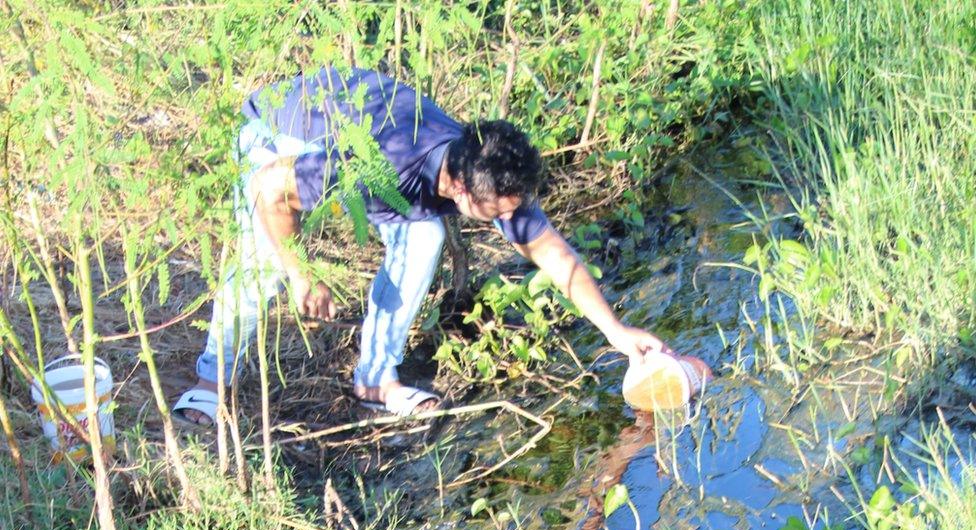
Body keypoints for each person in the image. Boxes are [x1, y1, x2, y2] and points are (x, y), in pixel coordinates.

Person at [173, 66, 675, 425]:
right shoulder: (384, 164)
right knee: (264, 260)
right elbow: (270, 190)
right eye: (499, 213)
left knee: (427, 232)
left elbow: (553, 252)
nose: (509, 221)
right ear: (460, 189)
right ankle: (211, 380)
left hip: (361, 121)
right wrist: (302, 270)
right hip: (284, 130)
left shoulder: (485, 166)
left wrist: (615, 331)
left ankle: (374, 378)